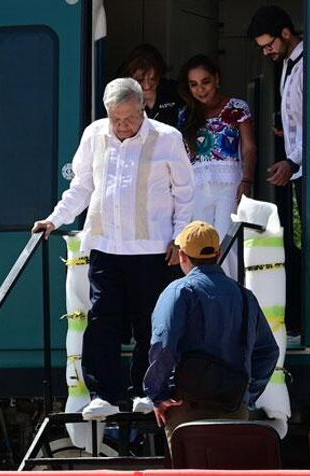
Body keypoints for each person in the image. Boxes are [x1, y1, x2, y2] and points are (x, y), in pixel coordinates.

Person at [35, 78, 195, 419]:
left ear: (143, 108)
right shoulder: (94, 135)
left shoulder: (167, 138)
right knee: (102, 318)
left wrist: (179, 237)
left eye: (129, 118)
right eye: (116, 119)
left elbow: (185, 192)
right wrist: (54, 219)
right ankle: (103, 394)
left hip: (153, 247)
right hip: (106, 244)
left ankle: (144, 391)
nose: (122, 126)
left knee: (149, 322)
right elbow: (81, 187)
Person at [142, 221, 279, 448]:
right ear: (218, 252)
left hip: (186, 408)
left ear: (183, 256)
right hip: (234, 409)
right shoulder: (245, 297)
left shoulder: (179, 291)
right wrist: (246, 394)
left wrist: (158, 394)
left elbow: (163, 345)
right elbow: (268, 351)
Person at [248, 5, 306, 337]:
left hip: (302, 169)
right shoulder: (287, 65)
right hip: (296, 165)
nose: (267, 51)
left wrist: (293, 160)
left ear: (286, 33)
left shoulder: (306, 64)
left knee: (299, 241)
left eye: (269, 44)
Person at [177, 54, 256, 258]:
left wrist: (247, 180)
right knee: (197, 242)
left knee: (225, 244)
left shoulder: (237, 107)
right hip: (197, 186)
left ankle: (226, 289)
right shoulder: (186, 114)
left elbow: (249, 148)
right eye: (193, 84)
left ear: (217, 79)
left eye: (206, 82)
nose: (200, 89)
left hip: (229, 185)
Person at [120, 44, 185, 128]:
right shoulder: (121, 97)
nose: (147, 86)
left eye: (153, 79)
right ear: (130, 77)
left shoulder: (175, 91)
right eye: (140, 80)